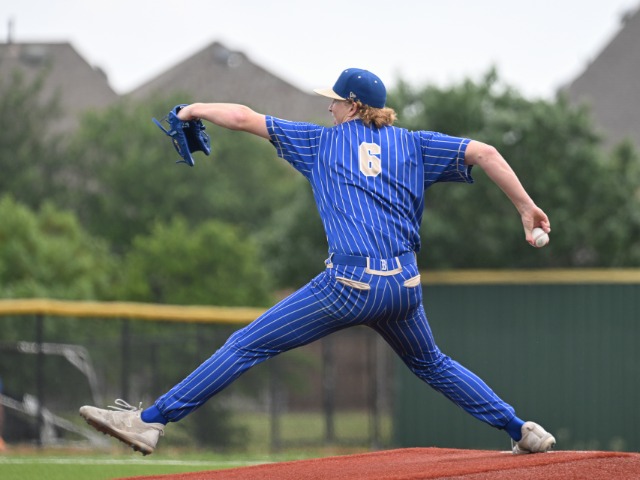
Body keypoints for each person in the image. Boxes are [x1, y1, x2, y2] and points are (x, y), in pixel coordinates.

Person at [80, 68, 555, 456]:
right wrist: (526, 207)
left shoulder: (319, 143)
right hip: (403, 289)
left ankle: (150, 421)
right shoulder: (413, 144)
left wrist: (192, 109)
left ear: (354, 106)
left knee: (246, 344)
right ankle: (521, 430)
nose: (329, 108)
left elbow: (243, 117)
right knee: (433, 363)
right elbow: (485, 152)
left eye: (335, 101)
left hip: (350, 285)